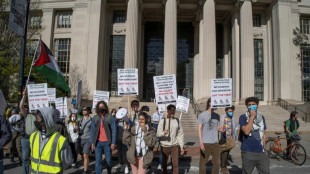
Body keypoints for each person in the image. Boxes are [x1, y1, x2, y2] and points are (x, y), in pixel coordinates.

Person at [29, 107, 72, 173]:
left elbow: (67, 162)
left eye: (38, 119)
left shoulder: (60, 140)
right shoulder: (33, 136)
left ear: (46, 120)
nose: (35, 121)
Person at [239, 97, 269, 174]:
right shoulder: (243, 117)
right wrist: (252, 117)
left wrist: (265, 148)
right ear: (247, 106)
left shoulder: (261, 117)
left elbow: (263, 133)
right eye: (249, 105)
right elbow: (246, 131)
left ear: (257, 105)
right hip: (248, 151)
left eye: (253, 104)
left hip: (261, 152)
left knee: (265, 171)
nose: (251, 106)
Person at [157, 104, 184, 174]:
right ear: (167, 111)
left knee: (175, 163)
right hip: (165, 146)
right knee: (164, 163)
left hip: (174, 145)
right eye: (171, 110)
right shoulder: (162, 121)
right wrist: (163, 133)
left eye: (173, 111)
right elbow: (158, 133)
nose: (172, 112)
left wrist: (181, 146)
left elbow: (180, 134)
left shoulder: (177, 121)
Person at [90, 101, 116, 174]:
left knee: (108, 160)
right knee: (98, 160)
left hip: (107, 142)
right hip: (98, 142)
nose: (101, 108)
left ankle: (109, 171)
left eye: (103, 107)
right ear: (98, 108)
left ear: (105, 107)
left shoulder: (110, 117)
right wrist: (92, 142)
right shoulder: (95, 118)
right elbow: (92, 131)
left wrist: (113, 142)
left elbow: (114, 130)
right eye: (100, 107)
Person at [197, 98, 222, 174]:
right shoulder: (202, 115)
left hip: (215, 143)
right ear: (209, 103)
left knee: (217, 163)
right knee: (203, 163)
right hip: (205, 143)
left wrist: (220, 129)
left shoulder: (217, 115)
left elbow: (217, 128)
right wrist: (201, 142)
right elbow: (199, 128)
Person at [20, 89, 37, 174]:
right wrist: (24, 96)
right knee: (25, 158)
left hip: (36, 139)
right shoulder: (27, 114)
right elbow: (21, 107)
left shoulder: (39, 115)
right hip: (26, 138)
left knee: (36, 158)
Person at [220, 105, 238, 174]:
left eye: (232, 111)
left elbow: (235, 126)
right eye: (230, 111)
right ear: (226, 111)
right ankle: (223, 166)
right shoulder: (223, 117)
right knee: (225, 151)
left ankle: (223, 162)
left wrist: (236, 133)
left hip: (231, 137)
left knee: (227, 151)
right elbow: (220, 125)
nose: (231, 112)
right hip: (224, 137)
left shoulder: (233, 118)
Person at [79, 106, 93, 174]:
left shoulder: (91, 120)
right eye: (82, 110)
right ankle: (86, 165)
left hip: (88, 139)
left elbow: (93, 131)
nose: (83, 111)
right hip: (81, 139)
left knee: (85, 155)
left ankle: (85, 170)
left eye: (85, 110)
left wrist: (92, 141)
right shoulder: (80, 120)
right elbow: (78, 130)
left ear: (88, 111)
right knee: (82, 155)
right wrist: (76, 129)